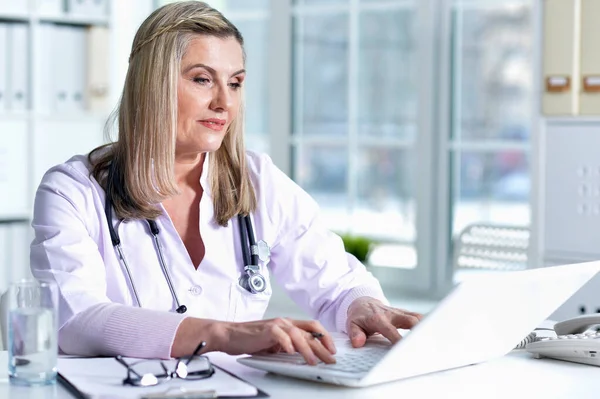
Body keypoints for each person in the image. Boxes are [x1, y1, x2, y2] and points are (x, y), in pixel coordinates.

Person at [30, 1, 422, 364]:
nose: (224, 102)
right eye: (203, 80)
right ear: (152, 84)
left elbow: (337, 282)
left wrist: (361, 305)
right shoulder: (72, 191)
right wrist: (223, 334)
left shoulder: (258, 181)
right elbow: (74, 319)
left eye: (234, 83)